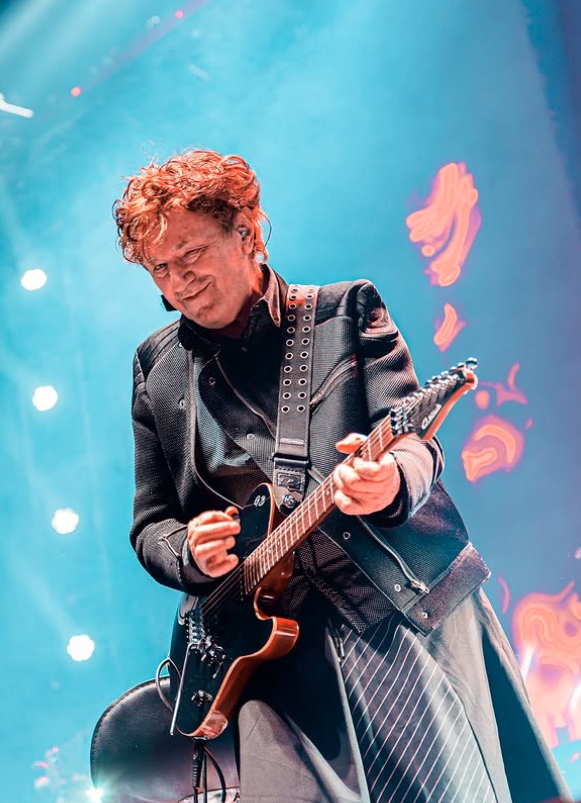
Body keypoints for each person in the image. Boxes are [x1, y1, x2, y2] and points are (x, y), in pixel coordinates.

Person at [114, 148, 571, 803]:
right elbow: (150, 523)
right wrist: (188, 549)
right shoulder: (155, 369)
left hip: (388, 603)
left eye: (191, 254)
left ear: (246, 232)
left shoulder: (343, 312)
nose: (178, 281)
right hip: (261, 644)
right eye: (160, 268)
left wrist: (391, 484)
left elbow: (412, 443)